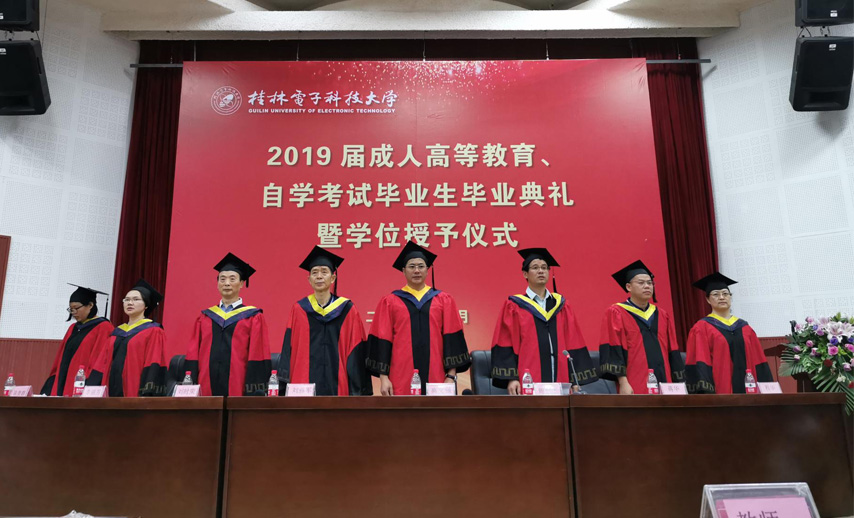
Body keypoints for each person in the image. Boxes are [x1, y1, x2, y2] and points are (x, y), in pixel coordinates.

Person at [366, 241, 471, 395]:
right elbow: (382, 340)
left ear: (427, 270)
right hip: (400, 376)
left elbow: (452, 339)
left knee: (436, 410)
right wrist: (384, 378)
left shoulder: (443, 300)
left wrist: (450, 376)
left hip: (438, 376)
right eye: (412, 266)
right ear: (403, 271)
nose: (416, 270)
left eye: (421, 266)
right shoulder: (390, 301)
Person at [491, 248, 597, 394]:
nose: (541, 271)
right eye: (535, 268)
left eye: (544, 267)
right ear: (525, 274)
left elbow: (573, 341)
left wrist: (574, 380)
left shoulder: (561, 306)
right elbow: (506, 341)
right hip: (528, 378)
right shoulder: (514, 306)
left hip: (560, 379)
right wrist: (512, 378)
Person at [277, 246, 372, 396]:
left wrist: (357, 389)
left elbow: (356, 351)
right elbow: (288, 350)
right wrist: (283, 385)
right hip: (304, 388)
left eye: (324, 272)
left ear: (333, 278)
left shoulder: (347, 310)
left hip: (339, 386)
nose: (319, 276)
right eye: (314, 272)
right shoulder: (299, 309)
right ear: (309, 279)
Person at [185, 253, 272, 396]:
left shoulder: (253, 316)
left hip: (239, 385)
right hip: (206, 386)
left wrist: (254, 391)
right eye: (222, 279)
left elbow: (258, 353)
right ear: (217, 283)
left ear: (241, 283)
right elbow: (193, 352)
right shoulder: (205, 317)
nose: (226, 283)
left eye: (232, 279)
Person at [598, 260, 685, 394]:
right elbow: (614, 349)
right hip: (634, 382)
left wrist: (678, 384)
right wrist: (623, 382)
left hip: (665, 382)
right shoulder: (617, 313)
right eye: (641, 283)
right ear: (628, 287)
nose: (647, 286)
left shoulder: (662, 315)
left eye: (650, 283)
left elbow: (672, 350)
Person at [685, 272, 773, 394]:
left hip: (749, 393)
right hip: (721, 393)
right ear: (708, 299)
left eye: (725, 293)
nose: (721, 297)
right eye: (716, 294)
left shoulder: (745, 328)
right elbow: (700, 362)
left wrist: (766, 391)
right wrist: (707, 394)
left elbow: (759, 360)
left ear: (730, 297)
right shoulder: (701, 328)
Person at [41, 284, 114, 396]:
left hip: (83, 386)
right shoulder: (73, 328)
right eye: (71, 309)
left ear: (90, 305)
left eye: (76, 308)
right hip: (63, 383)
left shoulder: (104, 327)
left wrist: (89, 386)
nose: (73, 312)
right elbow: (60, 359)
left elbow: (100, 361)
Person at [101, 279, 167, 397]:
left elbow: (153, 361)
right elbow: (103, 362)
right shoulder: (117, 332)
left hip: (135, 391)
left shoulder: (153, 330)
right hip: (110, 391)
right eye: (126, 300)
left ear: (146, 305)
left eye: (136, 299)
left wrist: (146, 393)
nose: (130, 303)